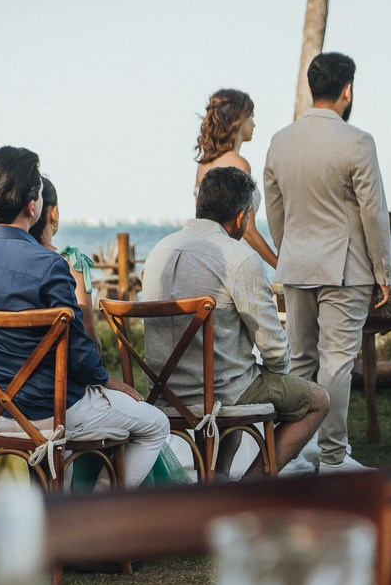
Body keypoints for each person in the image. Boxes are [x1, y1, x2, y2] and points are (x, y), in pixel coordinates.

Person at [0, 146, 169, 488]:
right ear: (32, 206)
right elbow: (79, 353)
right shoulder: (49, 264)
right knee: (156, 425)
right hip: (46, 413)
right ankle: (96, 512)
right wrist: (109, 381)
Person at [141, 166, 329, 477]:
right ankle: (249, 486)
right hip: (218, 394)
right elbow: (273, 349)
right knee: (318, 400)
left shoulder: (158, 251)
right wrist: (276, 373)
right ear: (241, 217)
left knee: (239, 374)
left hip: (161, 391)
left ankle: (218, 480)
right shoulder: (238, 258)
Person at [264, 51, 391, 472]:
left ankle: (298, 453)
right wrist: (383, 271)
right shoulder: (357, 141)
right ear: (347, 89)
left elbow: (274, 209)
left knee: (301, 360)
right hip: (345, 267)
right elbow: (373, 212)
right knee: (336, 361)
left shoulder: (280, 141)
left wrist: (290, 252)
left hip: (297, 265)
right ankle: (334, 458)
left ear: (310, 86)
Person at [195, 88, 277, 270]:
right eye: (251, 116)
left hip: (214, 259)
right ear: (239, 120)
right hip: (236, 261)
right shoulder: (239, 164)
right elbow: (248, 231)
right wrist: (278, 265)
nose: (254, 124)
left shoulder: (203, 165)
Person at [29, 175, 102, 355]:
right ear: (53, 213)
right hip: (60, 377)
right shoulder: (71, 261)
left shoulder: (10, 259)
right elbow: (89, 336)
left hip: (6, 377)